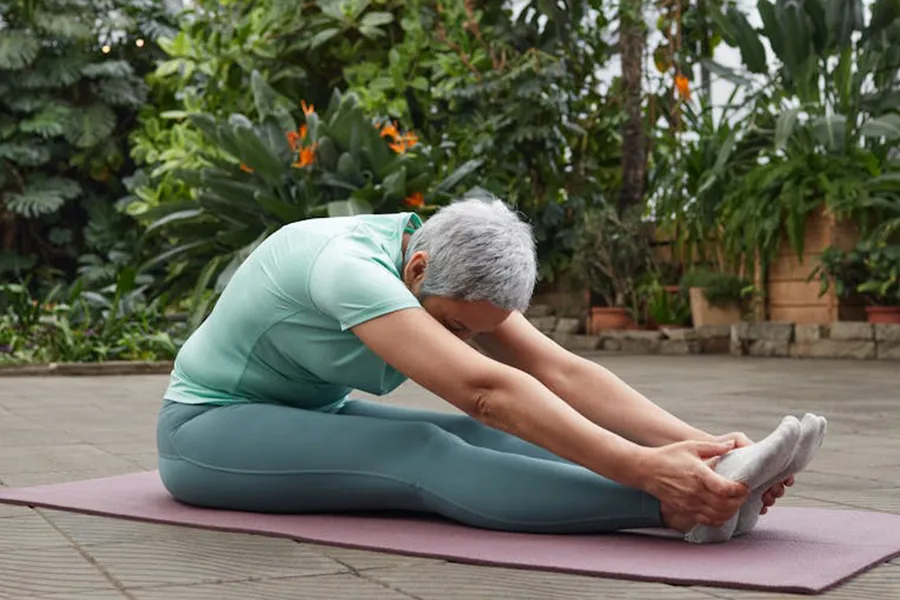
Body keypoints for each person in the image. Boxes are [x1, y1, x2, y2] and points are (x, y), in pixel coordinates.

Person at [156, 192, 790, 536]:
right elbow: (484, 391)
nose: (464, 340)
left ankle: (704, 484)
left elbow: (561, 372)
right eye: (456, 327)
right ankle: (669, 510)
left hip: (304, 414)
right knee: (427, 450)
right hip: (206, 429)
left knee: (483, 438)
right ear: (418, 269)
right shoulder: (347, 268)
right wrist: (646, 473)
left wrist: (700, 445)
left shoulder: (446, 272)